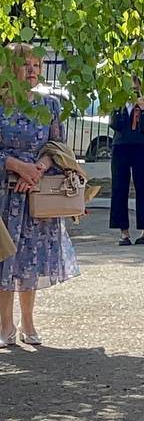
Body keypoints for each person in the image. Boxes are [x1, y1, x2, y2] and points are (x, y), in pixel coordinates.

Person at [0, 43, 80, 348]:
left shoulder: (50, 106)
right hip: (5, 193)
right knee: (5, 258)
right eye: (26, 65)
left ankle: (28, 322)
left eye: (37, 65)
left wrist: (38, 168)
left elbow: (57, 147)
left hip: (37, 195)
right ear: (11, 69)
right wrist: (17, 167)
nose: (32, 70)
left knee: (30, 260)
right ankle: (5, 325)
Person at [109, 75, 144, 245]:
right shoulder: (118, 104)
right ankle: (124, 232)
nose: (133, 92)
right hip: (121, 147)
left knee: (142, 187)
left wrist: (142, 110)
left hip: (139, 147)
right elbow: (114, 124)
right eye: (130, 89)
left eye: (135, 89)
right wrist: (121, 108)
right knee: (119, 187)